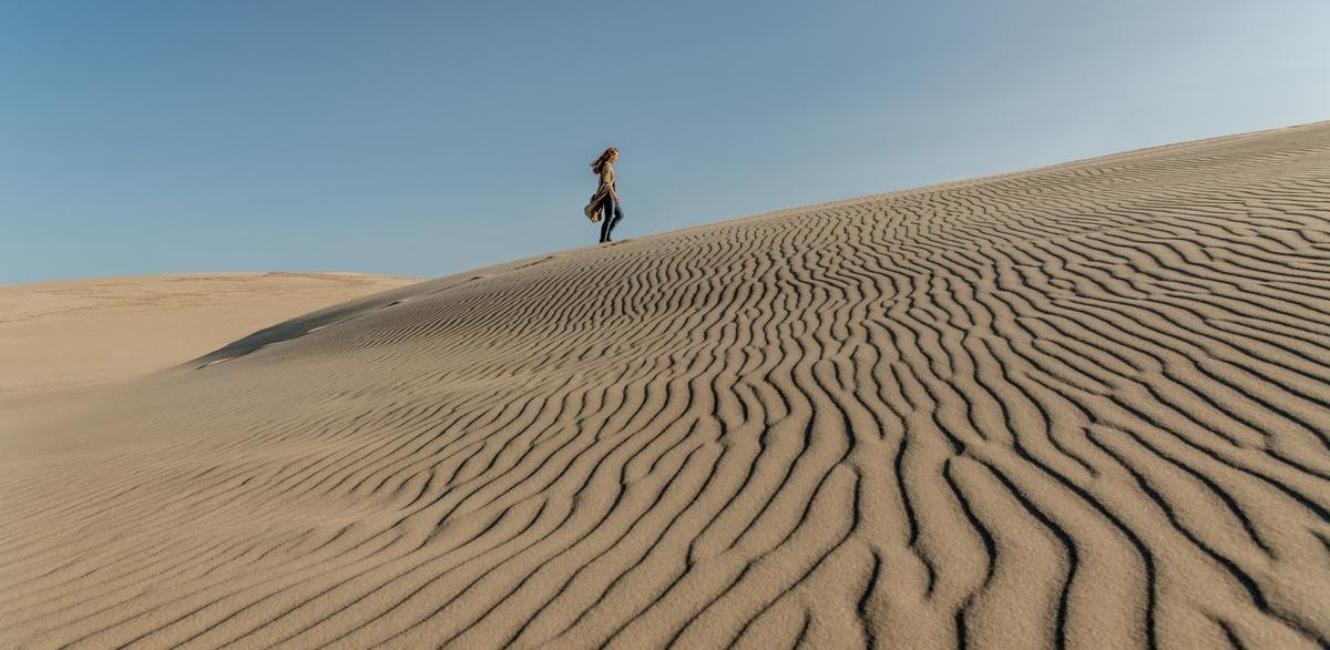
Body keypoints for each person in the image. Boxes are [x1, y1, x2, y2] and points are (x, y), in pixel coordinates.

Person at [585, 147, 624, 243]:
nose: (617, 158)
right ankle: (603, 239)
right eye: (617, 156)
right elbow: (607, 183)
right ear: (612, 155)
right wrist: (614, 195)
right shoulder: (607, 166)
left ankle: (608, 235)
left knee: (619, 215)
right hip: (608, 195)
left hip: (609, 194)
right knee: (609, 217)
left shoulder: (608, 165)